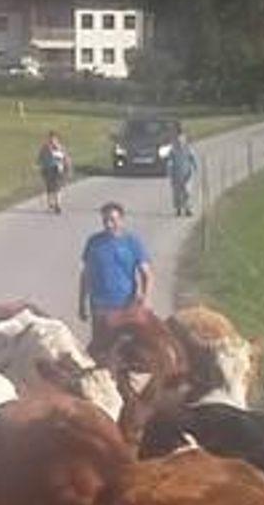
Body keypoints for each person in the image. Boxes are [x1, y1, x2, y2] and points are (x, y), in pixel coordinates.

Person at [78, 201, 151, 346]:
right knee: (100, 346)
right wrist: (81, 302)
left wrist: (146, 298)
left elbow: (146, 273)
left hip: (126, 306)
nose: (109, 225)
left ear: (121, 220)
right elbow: (86, 274)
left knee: (126, 346)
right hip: (100, 306)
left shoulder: (132, 242)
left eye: (113, 220)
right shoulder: (94, 242)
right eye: (105, 220)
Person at [35, 130, 71, 213]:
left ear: (57, 139)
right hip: (48, 169)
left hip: (58, 169)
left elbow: (66, 158)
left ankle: (58, 205)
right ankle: (50, 204)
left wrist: (67, 167)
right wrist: (38, 164)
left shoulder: (60, 147)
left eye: (54, 139)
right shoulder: (45, 148)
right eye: (50, 138)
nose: (52, 140)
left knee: (57, 187)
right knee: (50, 188)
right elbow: (40, 157)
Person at [168, 125, 198, 218]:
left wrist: (195, 167)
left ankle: (188, 209)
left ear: (184, 140)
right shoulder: (173, 150)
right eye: (178, 140)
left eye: (182, 139)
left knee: (187, 191)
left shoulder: (188, 149)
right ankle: (178, 209)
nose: (180, 141)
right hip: (176, 174)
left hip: (187, 174)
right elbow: (170, 162)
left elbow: (193, 158)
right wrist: (170, 173)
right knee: (177, 193)